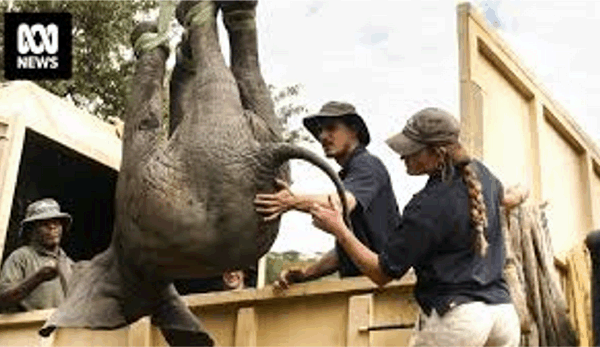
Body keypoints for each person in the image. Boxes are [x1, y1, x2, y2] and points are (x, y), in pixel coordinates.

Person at [309, 107, 525, 346]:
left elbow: (381, 273)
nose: (403, 156)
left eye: (411, 151)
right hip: (503, 316)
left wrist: (339, 229)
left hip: (458, 319)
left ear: (437, 153)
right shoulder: (482, 173)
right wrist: (523, 191)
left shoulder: (426, 206)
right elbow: (508, 198)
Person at [254, 101, 401, 288]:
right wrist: (305, 274)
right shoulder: (350, 174)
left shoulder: (367, 165)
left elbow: (341, 202)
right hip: (366, 287)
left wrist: (292, 201)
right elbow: (346, 252)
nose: (323, 136)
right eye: (320, 131)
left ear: (354, 130)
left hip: (384, 289)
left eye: (331, 128)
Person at [0, 198, 74, 312]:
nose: (52, 227)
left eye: (56, 223)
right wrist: (38, 278)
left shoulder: (70, 264)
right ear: (31, 231)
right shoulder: (21, 257)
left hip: (65, 328)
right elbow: (3, 300)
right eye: (45, 224)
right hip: (30, 328)